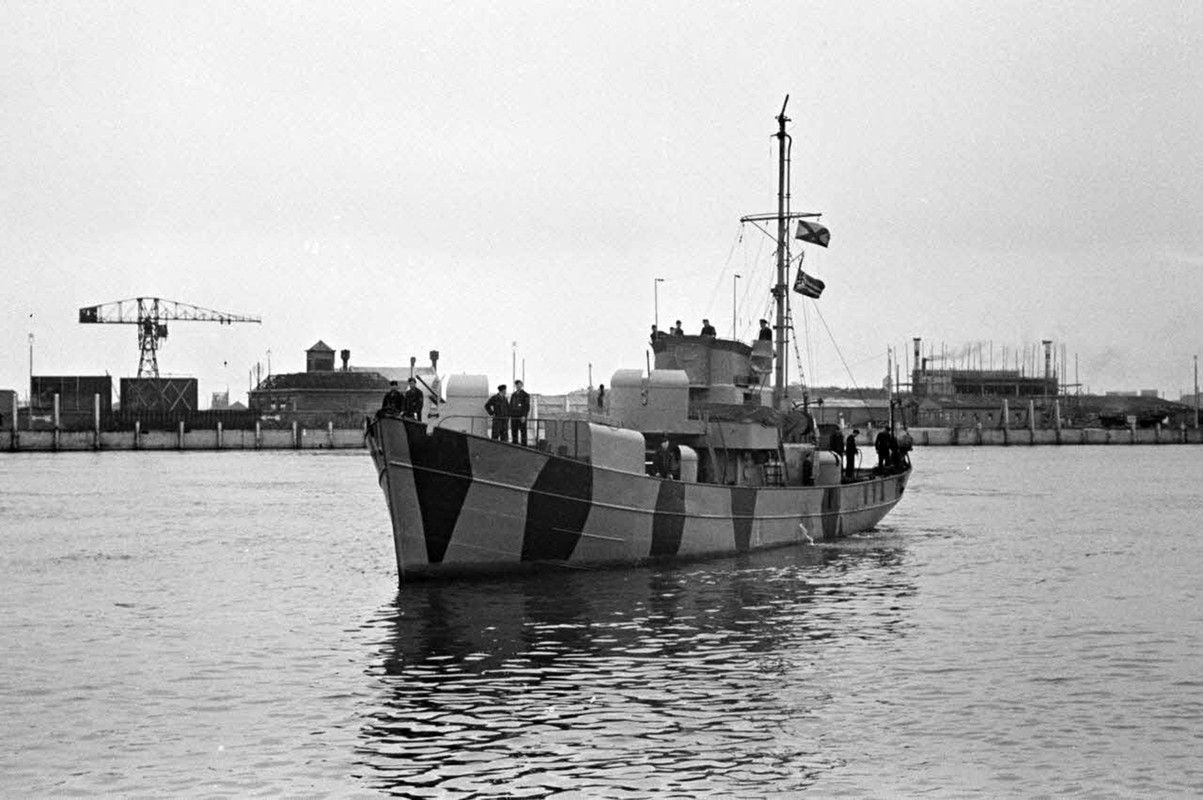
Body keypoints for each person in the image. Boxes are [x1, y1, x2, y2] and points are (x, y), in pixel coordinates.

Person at [509, 379, 530, 445]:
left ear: (522, 385)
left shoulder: (525, 395)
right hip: (514, 416)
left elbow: (526, 406)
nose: (518, 386)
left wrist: (524, 416)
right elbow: (511, 405)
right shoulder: (513, 395)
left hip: (521, 416)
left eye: (519, 384)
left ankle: (524, 444)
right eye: (517, 385)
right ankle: (515, 443)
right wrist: (510, 414)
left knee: (523, 430)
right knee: (514, 430)